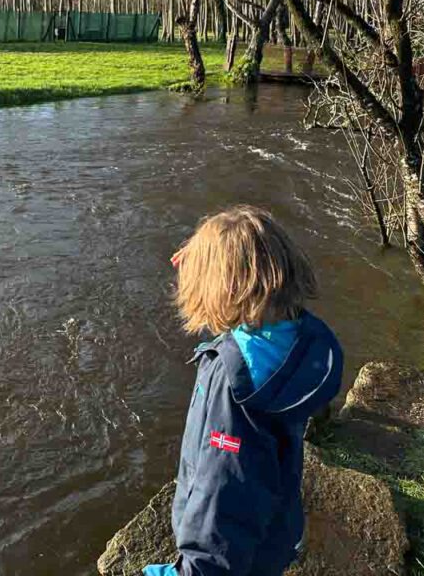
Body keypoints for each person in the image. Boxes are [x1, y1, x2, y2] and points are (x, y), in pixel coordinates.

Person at [144, 206, 343, 576]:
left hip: (234, 562)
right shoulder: (305, 341)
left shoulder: (232, 385)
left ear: (225, 287)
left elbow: (222, 489)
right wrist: (206, 258)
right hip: (278, 532)